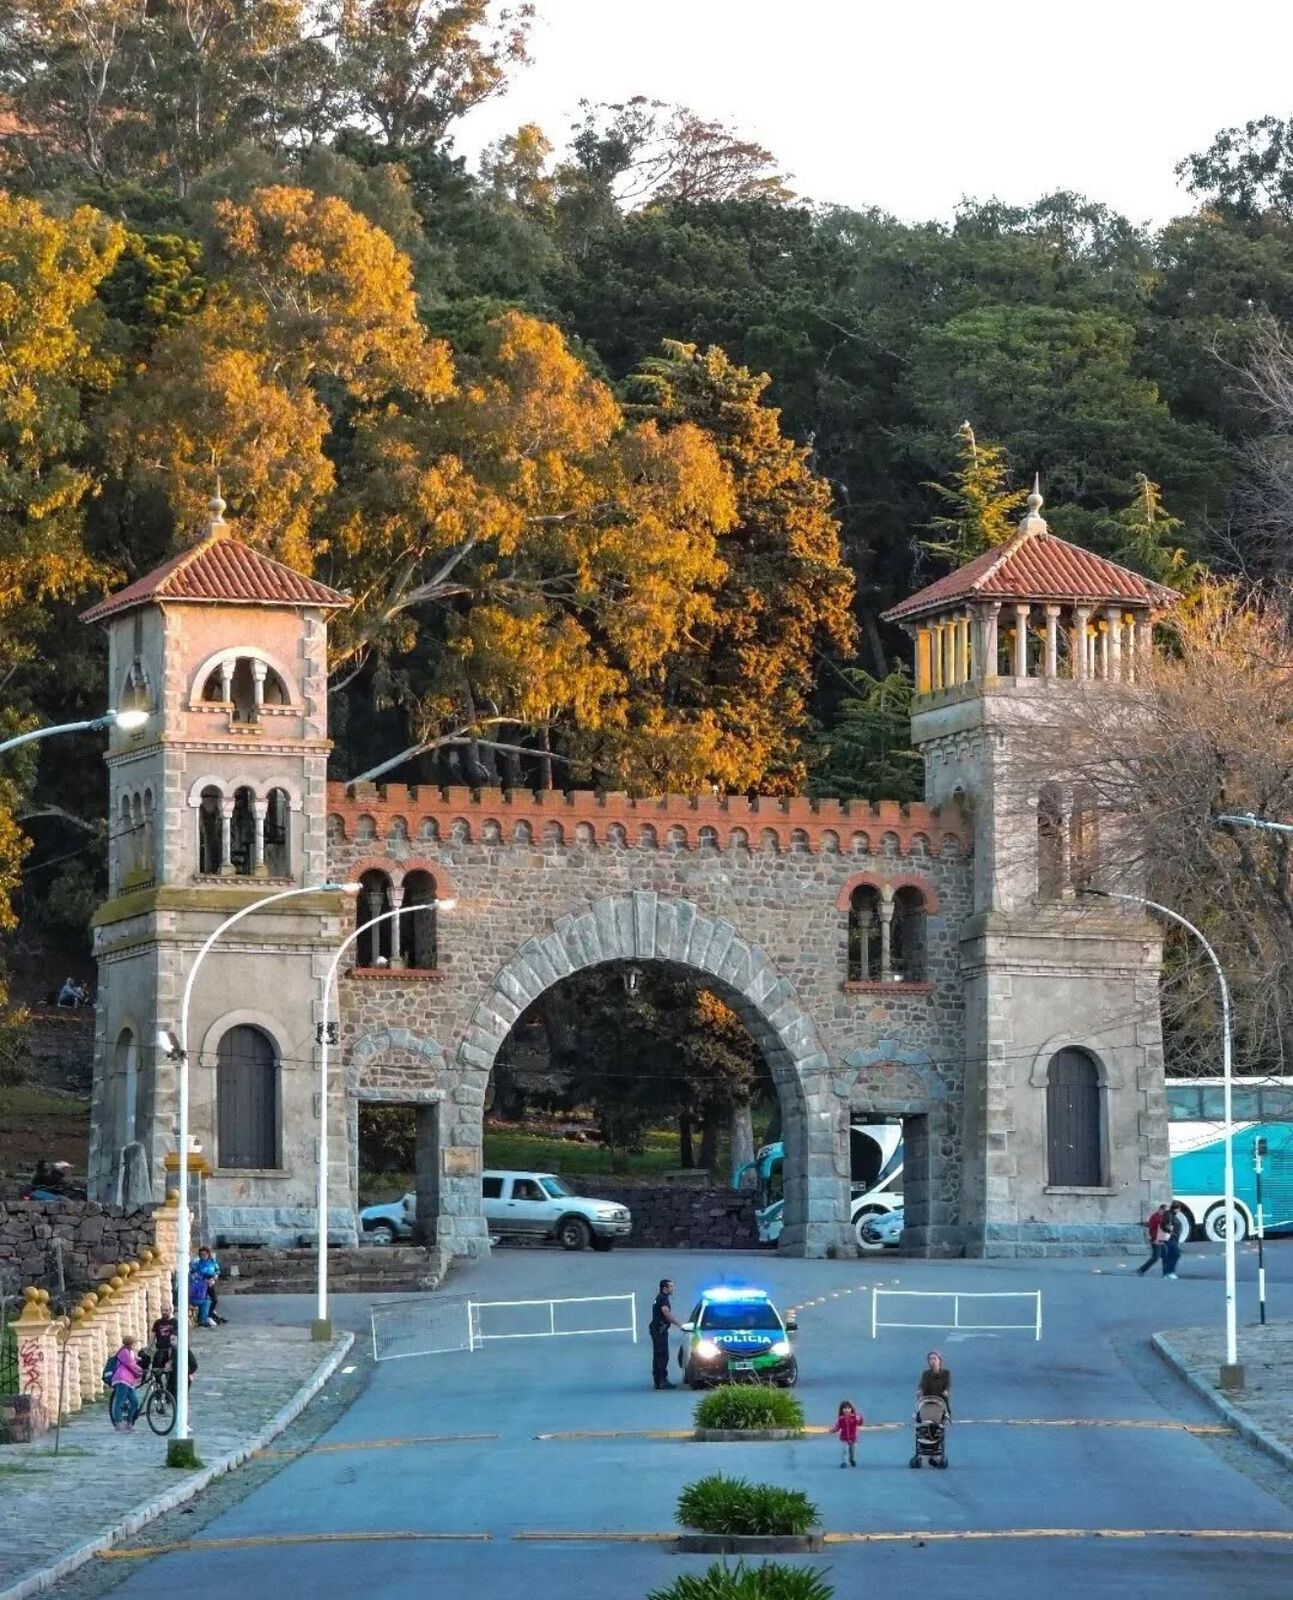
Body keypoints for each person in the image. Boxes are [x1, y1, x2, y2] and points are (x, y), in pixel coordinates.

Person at [648, 1277, 683, 1389]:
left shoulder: (660, 1297)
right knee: (662, 1355)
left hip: (657, 1329)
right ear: (665, 1288)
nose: (673, 1289)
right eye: (671, 1286)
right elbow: (666, 1313)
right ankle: (662, 1380)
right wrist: (679, 1324)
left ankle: (657, 1380)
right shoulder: (663, 1298)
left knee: (658, 1355)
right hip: (660, 1330)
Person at [107, 1335, 144, 1431]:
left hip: (129, 1381)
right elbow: (131, 1364)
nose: (135, 1345)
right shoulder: (123, 1352)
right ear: (130, 1344)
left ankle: (129, 1421)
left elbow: (136, 1359)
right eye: (134, 1343)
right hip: (122, 1379)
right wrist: (141, 1370)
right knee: (119, 1402)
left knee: (135, 1402)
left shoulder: (130, 1352)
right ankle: (118, 1423)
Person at [1137, 1203, 1171, 1276]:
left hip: (1161, 1239)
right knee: (1155, 1257)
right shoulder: (1155, 1217)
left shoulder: (1162, 1217)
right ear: (1160, 1210)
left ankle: (1166, 1273)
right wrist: (1155, 1239)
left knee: (1165, 1255)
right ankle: (1141, 1270)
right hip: (1156, 1240)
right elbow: (1152, 1230)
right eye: (1164, 1212)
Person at [195, 1245, 226, 1325]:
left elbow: (217, 1271)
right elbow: (195, 1273)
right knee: (204, 1300)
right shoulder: (198, 1263)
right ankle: (203, 1318)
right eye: (201, 1255)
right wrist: (204, 1280)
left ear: (208, 1254)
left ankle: (210, 1314)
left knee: (214, 1300)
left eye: (205, 1254)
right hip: (202, 1284)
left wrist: (213, 1279)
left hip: (211, 1282)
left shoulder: (212, 1261)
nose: (203, 1256)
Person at [916, 1350, 951, 1419]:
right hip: (927, 1401)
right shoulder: (925, 1374)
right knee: (919, 1416)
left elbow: (947, 1385)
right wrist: (919, 1391)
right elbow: (921, 1385)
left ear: (939, 1360)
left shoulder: (946, 1373)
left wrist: (946, 1391)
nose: (932, 1361)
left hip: (941, 1401)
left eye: (935, 1358)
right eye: (930, 1359)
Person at [831, 1399, 862, 1467]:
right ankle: (844, 1462)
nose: (846, 1410)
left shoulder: (854, 1417)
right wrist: (833, 1430)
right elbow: (838, 1426)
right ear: (842, 1409)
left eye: (848, 1408)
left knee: (852, 1450)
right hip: (844, 1437)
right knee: (845, 1450)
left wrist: (859, 1418)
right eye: (844, 1408)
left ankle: (852, 1459)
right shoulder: (841, 1419)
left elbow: (859, 1423)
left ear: (851, 1409)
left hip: (852, 1437)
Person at [1162, 1201, 1185, 1279]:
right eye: (1179, 1209)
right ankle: (1170, 1272)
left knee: (1171, 1255)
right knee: (1176, 1254)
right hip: (1170, 1238)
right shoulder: (1169, 1215)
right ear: (1176, 1208)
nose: (1179, 1211)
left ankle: (1167, 1273)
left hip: (1173, 1238)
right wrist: (1168, 1229)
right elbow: (1163, 1225)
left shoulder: (1171, 1215)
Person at [188, 1261, 213, 1327]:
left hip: (193, 1298)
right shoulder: (199, 1282)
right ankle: (203, 1320)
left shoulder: (200, 1280)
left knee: (207, 1301)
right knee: (206, 1302)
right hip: (192, 1299)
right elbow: (192, 1292)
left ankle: (203, 1319)